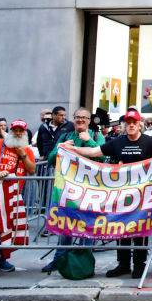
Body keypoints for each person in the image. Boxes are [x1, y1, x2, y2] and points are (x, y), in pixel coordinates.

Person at [62, 107, 152, 278]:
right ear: (124, 125)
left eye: (134, 122)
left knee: (140, 230)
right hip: (121, 195)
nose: (131, 125)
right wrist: (72, 150)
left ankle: (139, 264)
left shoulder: (150, 142)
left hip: (142, 196)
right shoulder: (118, 142)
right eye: (128, 123)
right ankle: (123, 264)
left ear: (139, 125)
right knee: (122, 229)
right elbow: (95, 152)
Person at [41, 108, 104, 273]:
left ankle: (84, 262)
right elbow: (50, 159)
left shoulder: (96, 136)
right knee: (65, 226)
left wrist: (89, 141)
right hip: (68, 190)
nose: (81, 120)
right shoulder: (65, 137)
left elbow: (104, 156)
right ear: (74, 119)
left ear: (89, 120)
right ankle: (59, 260)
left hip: (90, 189)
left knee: (87, 227)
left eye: (84, 118)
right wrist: (61, 147)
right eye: (78, 117)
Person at [0, 120, 37, 272]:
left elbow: (32, 169)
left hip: (14, 194)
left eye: (21, 130)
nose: (18, 133)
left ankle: (0, 259)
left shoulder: (28, 150)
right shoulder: (0, 143)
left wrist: (23, 154)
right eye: (15, 130)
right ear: (10, 131)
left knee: (6, 227)